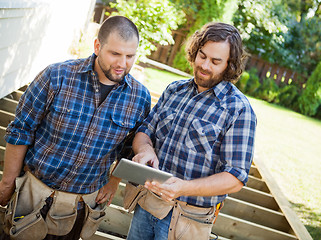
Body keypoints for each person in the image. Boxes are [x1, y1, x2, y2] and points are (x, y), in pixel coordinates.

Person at [0, 16, 151, 240]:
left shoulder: (140, 98)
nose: (122, 64)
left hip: (79, 208)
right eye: (115, 54)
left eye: (130, 56)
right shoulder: (57, 76)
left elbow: (128, 150)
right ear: (97, 46)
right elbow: (21, 130)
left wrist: (113, 182)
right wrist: (7, 183)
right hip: (33, 197)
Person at [126, 22, 257, 240]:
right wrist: (146, 150)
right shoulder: (174, 90)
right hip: (148, 204)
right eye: (202, 56)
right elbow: (144, 131)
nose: (205, 65)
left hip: (188, 219)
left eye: (216, 61)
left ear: (230, 65)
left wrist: (184, 187)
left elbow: (235, 177)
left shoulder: (238, 110)